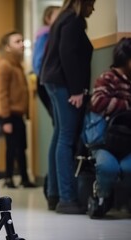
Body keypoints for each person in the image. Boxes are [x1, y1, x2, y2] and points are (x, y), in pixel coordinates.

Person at [40, 0, 96, 214]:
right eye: (92, 3)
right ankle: (67, 198)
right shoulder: (72, 20)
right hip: (64, 84)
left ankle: (55, 195)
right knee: (66, 138)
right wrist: (76, 90)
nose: (93, 8)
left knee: (59, 136)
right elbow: (68, 54)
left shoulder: (63, 18)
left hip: (54, 81)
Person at [89, 37, 131, 211]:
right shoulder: (108, 78)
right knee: (108, 168)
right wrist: (126, 105)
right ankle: (101, 197)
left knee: (128, 168)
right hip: (107, 141)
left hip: (128, 143)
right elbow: (97, 102)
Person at [0, 31, 36, 189]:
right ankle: (10, 178)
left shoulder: (17, 65)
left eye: (22, 41)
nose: (21, 44)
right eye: (17, 41)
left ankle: (24, 178)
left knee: (21, 146)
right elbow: (2, 93)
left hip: (18, 114)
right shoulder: (4, 65)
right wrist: (5, 118)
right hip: (10, 114)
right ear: (8, 47)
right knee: (12, 147)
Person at [32, 5, 60, 119]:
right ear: (48, 18)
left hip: (45, 78)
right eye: (58, 15)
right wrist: (44, 77)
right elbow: (37, 60)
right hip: (45, 79)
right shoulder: (45, 34)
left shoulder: (50, 34)